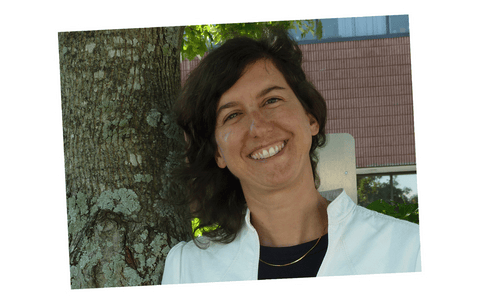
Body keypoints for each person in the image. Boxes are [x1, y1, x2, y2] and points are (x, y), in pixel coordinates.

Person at [161, 28, 421, 284]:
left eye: (271, 100)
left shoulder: (411, 251)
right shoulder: (188, 269)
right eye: (232, 115)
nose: (259, 127)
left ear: (310, 119)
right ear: (218, 153)